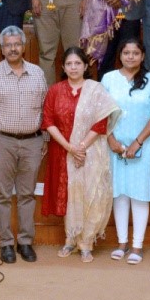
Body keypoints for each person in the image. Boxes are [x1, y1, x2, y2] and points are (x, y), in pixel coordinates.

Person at [0, 25, 49, 264]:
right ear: (2, 48)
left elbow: (46, 108)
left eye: (17, 44)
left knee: (27, 194)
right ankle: (6, 243)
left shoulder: (37, 73)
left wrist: (45, 138)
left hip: (32, 142)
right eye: (8, 45)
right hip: (1, 141)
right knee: (3, 195)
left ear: (24, 46)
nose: (13, 48)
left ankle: (25, 242)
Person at [42, 47, 117, 262]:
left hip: (92, 151)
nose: (73, 67)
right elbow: (48, 121)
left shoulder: (96, 89)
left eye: (77, 63)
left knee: (91, 194)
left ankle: (86, 242)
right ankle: (70, 239)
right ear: (63, 67)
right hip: (64, 151)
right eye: (69, 64)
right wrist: (70, 148)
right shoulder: (55, 90)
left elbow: (101, 122)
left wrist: (81, 146)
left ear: (86, 65)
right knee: (70, 194)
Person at [102, 37, 150, 264]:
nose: (130, 57)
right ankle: (121, 243)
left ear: (143, 56)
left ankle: (137, 246)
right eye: (126, 52)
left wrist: (137, 142)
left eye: (135, 53)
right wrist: (111, 140)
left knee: (139, 195)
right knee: (119, 194)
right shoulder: (109, 79)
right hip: (115, 146)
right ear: (119, 55)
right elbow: (102, 114)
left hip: (145, 146)